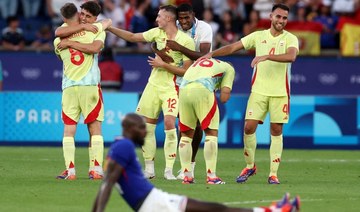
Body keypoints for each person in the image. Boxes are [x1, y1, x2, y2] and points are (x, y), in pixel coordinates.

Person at [91, 113, 301, 212]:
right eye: (141, 128)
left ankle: (272, 210)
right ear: (130, 129)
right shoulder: (124, 147)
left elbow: (106, 184)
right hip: (153, 204)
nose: (145, 132)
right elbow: (108, 183)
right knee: (216, 209)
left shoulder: (118, 147)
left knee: (215, 209)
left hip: (155, 200)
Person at [200, 3, 299, 184]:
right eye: (278, 17)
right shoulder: (258, 36)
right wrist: (212, 54)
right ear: (271, 17)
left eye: (284, 18)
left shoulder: (291, 39)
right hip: (259, 92)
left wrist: (266, 56)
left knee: (276, 130)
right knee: (248, 128)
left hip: (280, 93)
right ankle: (250, 165)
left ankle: (273, 174)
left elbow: (291, 56)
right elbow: (233, 47)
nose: (281, 21)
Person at [107, 5, 195, 180]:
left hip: (172, 87)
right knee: (147, 127)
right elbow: (132, 37)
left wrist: (163, 65)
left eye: (160, 16)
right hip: (153, 85)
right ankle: (149, 169)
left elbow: (187, 71)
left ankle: (169, 170)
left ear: (169, 18)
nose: (157, 19)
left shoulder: (186, 41)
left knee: (170, 124)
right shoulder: (157, 33)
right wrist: (109, 28)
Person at [152, 3, 213, 180]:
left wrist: (180, 48)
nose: (184, 21)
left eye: (187, 17)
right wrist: (156, 49)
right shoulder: (173, 28)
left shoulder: (204, 28)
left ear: (193, 15)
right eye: (181, 18)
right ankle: (183, 167)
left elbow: (204, 55)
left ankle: (191, 164)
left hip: (200, 79)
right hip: (178, 79)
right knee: (183, 122)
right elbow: (158, 45)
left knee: (199, 125)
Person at [53, 2, 111, 180]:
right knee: (95, 128)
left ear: (64, 18)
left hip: (69, 87)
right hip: (90, 85)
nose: (84, 18)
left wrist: (70, 41)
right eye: (82, 15)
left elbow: (59, 34)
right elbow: (95, 47)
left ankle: (70, 171)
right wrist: (89, 27)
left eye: (87, 16)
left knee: (69, 130)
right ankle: (96, 169)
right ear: (78, 14)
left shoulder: (59, 40)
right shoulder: (95, 31)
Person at [178, 58, 235, 184]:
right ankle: (211, 176)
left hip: (183, 90)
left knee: (186, 135)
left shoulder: (203, 63)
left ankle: (187, 176)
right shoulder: (229, 68)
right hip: (202, 89)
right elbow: (225, 97)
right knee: (211, 133)